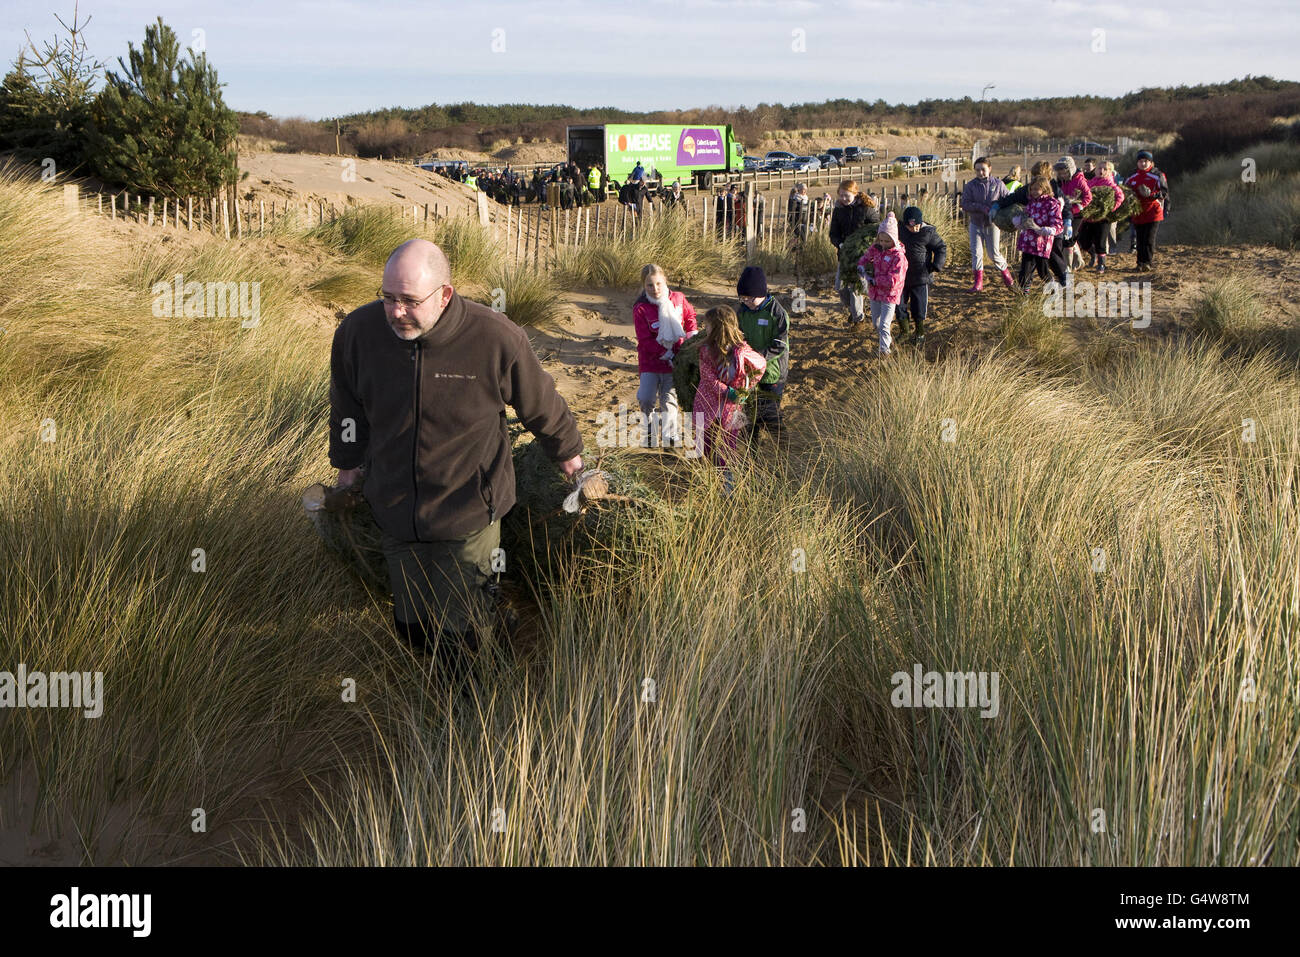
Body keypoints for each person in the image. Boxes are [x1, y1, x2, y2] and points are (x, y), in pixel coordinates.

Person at [329, 239, 584, 669]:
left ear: (444, 295)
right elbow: (347, 408)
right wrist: (347, 472)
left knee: (460, 638)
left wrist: (574, 464)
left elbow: (541, 404)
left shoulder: (494, 338)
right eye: (388, 297)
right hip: (394, 508)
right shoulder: (359, 334)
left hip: (468, 509)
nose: (395, 311)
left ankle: (470, 707)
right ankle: (481, 629)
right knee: (412, 626)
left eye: (410, 301)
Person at [693, 305, 766, 488]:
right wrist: (728, 391)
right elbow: (708, 377)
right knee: (704, 442)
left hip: (731, 408)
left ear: (718, 328)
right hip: (708, 403)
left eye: (708, 326)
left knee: (728, 445)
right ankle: (706, 477)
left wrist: (746, 387)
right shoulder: (706, 351)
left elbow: (760, 365)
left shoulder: (741, 350)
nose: (705, 329)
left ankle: (727, 483)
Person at [633, 264, 697, 447]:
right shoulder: (641, 308)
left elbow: (690, 316)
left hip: (676, 361)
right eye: (650, 286)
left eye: (658, 284)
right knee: (646, 398)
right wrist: (664, 353)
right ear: (644, 287)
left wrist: (692, 336)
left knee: (669, 399)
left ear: (665, 281)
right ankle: (650, 433)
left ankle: (670, 439)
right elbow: (644, 339)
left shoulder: (678, 299)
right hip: (651, 361)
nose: (655, 289)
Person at [734, 266, 790, 443]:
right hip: (749, 373)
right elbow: (738, 334)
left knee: (769, 412)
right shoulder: (742, 311)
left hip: (772, 374)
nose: (747, 301)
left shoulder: (777, 313)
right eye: (743, 298)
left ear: (762, 293)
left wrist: (758, 357)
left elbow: (780, 344)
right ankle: (753, 449)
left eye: (750, 298)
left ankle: (783, 445)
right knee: (749, 413)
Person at [991, 160, 1068, 286]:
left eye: (1037, 175)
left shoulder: (1054, 190)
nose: (1033, 189)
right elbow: (1014, 198)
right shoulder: (1030, 195)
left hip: (1048, 236)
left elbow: (1064, 208)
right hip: (1030, 239)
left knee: (1052, 260)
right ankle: (1024, 291)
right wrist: (998, 206)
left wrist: (1066, 221)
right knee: (1027, 266)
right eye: (1033, 176)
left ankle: (1062, 279)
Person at [829, 179, 881, 326]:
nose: (844, 199)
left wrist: (865, 244)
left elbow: (876, 227)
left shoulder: (865, 208)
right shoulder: (839, 210)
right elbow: (833, 233)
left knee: (855, 287)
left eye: (847, 196)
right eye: (841, 195)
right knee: (840, 286)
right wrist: (840, 243)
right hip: (844, 255)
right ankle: (853, 310)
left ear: (855, 193)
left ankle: (858, 319)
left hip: (862, 255)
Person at [959, 157, 1015, 291]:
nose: (980, 173)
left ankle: (1007, 277)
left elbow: (1007, 199)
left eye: (983, 169)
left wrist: (999, 210)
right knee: (976, 253)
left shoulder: (998, 184)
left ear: (989, 169)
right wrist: (979, 207)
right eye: (977, 170)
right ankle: (978, 283)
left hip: (992, 224)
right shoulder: (971, 185)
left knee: (993, 253)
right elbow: (964, 204)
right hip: (976, 223)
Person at [857, 211, 907, 357]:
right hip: (875, 292)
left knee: (885, 324)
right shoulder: (876, 249)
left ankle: (884, 352)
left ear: (894, 239)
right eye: (881, 240)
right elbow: (865, 257)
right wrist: (861, 266)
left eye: (887, 241)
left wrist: (874, 280)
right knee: (877, 323)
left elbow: (894, 280)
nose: (884, 244)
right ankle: (887, 341)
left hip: (890, 295)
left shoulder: (899, 257)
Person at [897, 205, 948, 347]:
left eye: (917, 225)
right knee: (899, 304)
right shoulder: (898, 230)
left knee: (918, 306)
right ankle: (904, 331)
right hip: (900, 277)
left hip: (921, 276)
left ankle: (920, 332)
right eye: (910, 226)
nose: (914, 229)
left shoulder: (928, 232)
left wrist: (936, 265)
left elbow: (940, 248)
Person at [1013, 177, 1063, 291]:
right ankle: (1024, 294)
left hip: (1042, 243)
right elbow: (1027, 218)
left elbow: (1057, 222)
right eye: (1032, 189)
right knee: (1025, 270)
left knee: (1043, 271)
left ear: (1045, 189)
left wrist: (1048, 230)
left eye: (1037, 189)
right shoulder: (1031, 203)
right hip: (1028, 242)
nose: (1034, 192)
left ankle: (1053, 288)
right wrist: (1019, 222)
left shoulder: (1052, 203)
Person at [1125, 150, 1167, 272]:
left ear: (1151, 163)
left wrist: (1152, 194)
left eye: (1145, 161)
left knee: (1149, 239)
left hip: (1153, 212)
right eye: (1140, 161)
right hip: (1138, 212)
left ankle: (1147, 263)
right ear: (1137, 163)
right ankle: (1139, 263)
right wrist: (1130, 195)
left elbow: (1164, 192)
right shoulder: (1132, 176)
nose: (1143, 164)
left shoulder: (1157, 175)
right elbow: (1124, 190)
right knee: (1140, 239)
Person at [1079, 160, 1124, 273]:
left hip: (1103, 218)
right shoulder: (1090, 183)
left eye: (1105, 169)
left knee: (1101, 241)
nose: (1101, 171)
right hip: (1089, 218)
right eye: (1099, 168)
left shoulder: (1111, 185)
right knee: (1084, 241)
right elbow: (1083, 195)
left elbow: (1120, 197)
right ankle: (1093, 253)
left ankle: (1101, 263)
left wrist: (1110, 208)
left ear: (1110, 171)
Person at [1054, 156, 1092, 272]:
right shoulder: (1059, 182)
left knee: (1068, 239)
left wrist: (1076, 208)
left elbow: (1088, 197)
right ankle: (1079, 260)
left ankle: (1068, 267)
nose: (1062, 176)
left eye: (1064, 173)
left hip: (1076, 214)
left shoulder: (1079, 180)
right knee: (1070, 238)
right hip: (1064, 213)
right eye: (1060, 174)